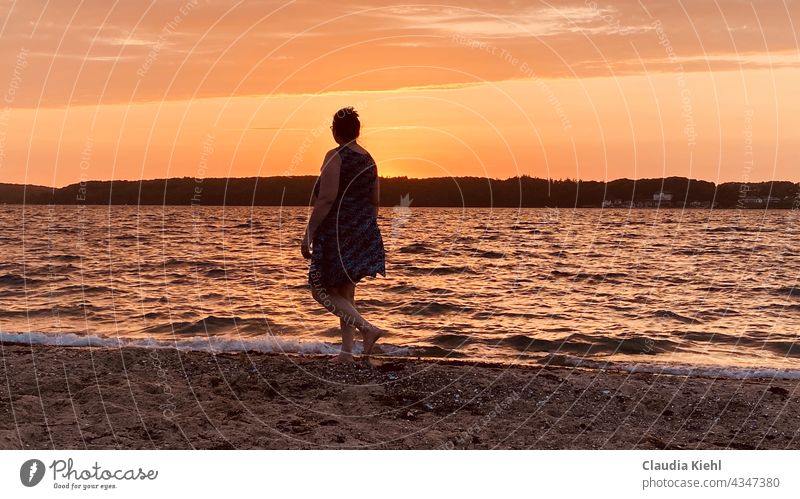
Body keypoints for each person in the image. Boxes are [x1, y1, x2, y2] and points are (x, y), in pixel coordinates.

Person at [301, 107, 387, 364]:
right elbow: (375, 201)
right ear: (357, 131)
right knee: (346, 292)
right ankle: (347, 353)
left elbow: (326, 199)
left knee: (320, 290)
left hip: (337, 231)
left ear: (335, 131)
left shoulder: (335, 156)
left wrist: (308, 234)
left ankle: (367, 328)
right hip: (363, 230)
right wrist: (367, 231)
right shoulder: (369, 159)